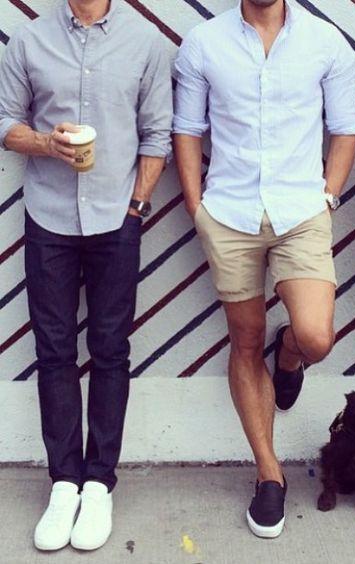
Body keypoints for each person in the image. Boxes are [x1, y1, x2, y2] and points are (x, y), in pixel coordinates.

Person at [173, 0, 355, 538]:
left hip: (301, 214)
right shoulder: (204, 44)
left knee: (316, 335)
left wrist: (328, 197)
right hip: (228, 215)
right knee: (246, 340)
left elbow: (345, 130)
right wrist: (197, 208)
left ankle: (292, 355)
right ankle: (269, 473)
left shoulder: (325, 42)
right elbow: (187, 129)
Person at [0, 0, 172, 551]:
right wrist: (44, 142)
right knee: (53, 350)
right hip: (48, 216)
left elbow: (157, 134)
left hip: (117, 218)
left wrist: (136, 207)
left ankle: (99, 484)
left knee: (110, 349)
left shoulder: (146, 42)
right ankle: (64, 483)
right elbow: (6, 124)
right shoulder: (29, 41)